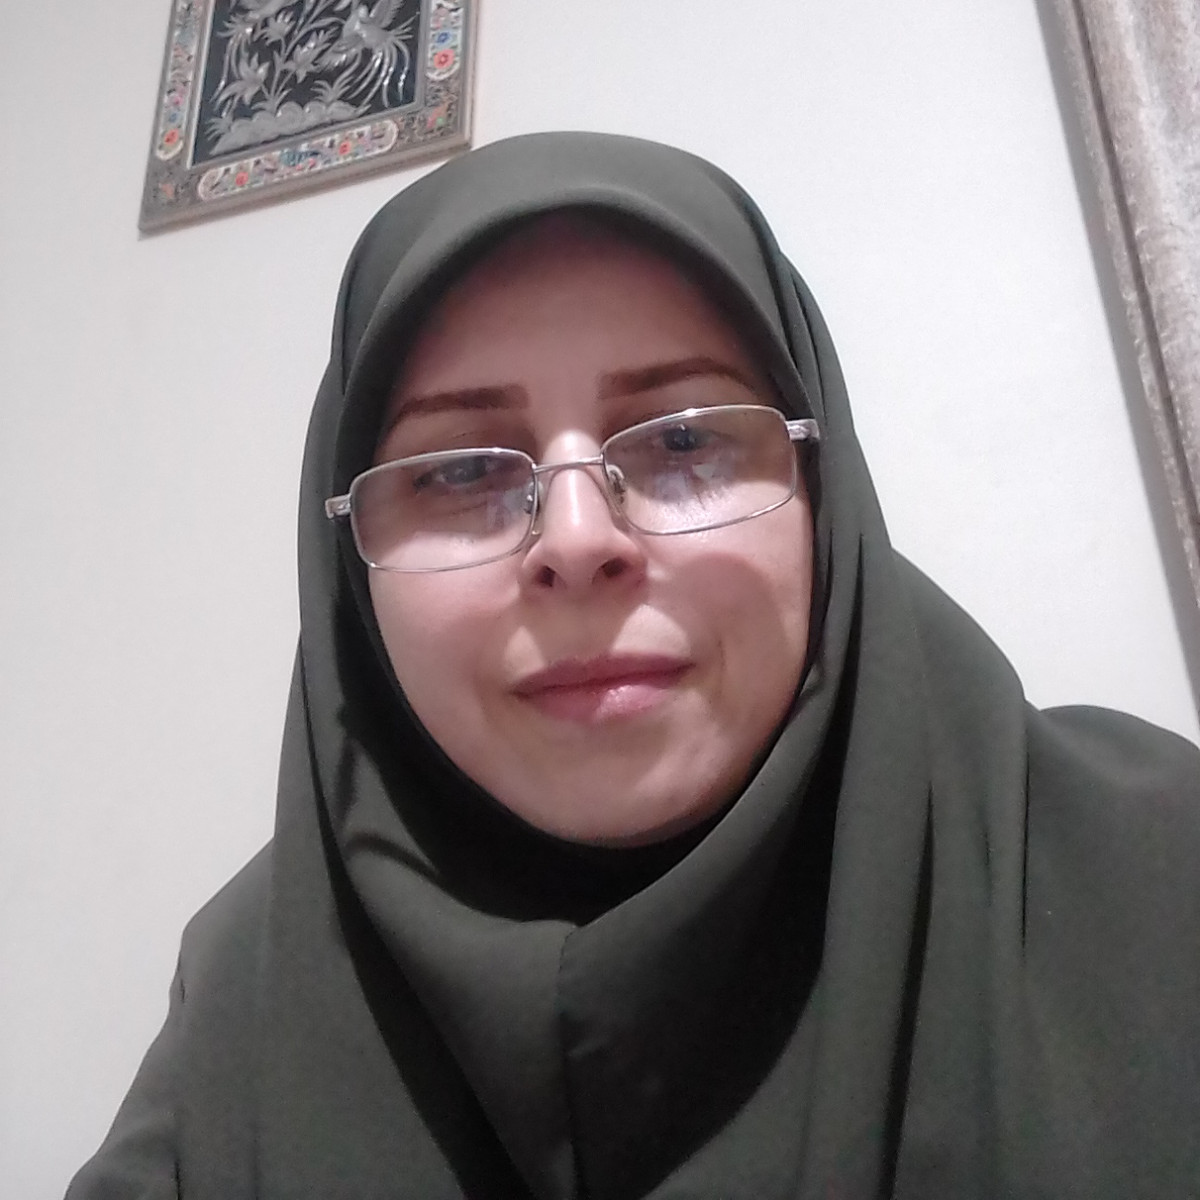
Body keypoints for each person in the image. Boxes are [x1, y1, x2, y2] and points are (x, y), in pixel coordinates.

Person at [68, 132, 1200, 1199]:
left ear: (823, 494)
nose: (577, 542)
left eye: (685, 439)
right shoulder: (246, 992)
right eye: (459, 472)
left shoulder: (1155, 867)